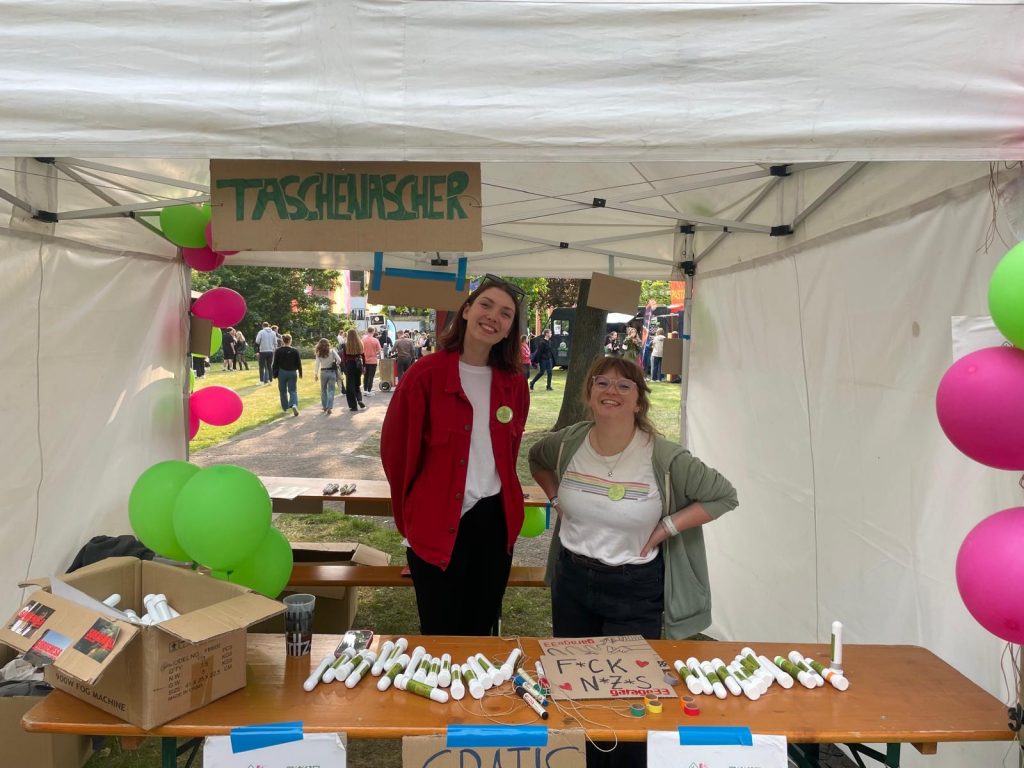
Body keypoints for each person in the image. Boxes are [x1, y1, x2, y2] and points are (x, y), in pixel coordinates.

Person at [529, 356, 737, 768]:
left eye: (624, 386)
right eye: (602, 383)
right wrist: (555, 497)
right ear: (588, 395)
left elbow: (723, 495)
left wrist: (667, 528)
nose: (612, 391)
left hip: (634, 590)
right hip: (572, 582)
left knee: (628, 699)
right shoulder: (569, 442)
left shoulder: (664, 457)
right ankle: (580, 759)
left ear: (639, 400)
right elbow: (537, 459)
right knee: (575, 689)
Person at [380, 276, 529, 635]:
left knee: (481, 631)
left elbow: (509, 453)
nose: (494, 316)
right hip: (436, 521)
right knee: (441, 634)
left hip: (494, 524)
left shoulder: (514, 383)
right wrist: (411, 519)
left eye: (506, 313)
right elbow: (396, 452)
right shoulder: (425, 375)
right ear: (466, 310)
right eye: (486, 305)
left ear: (511, 328)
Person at [271, 333, 302, 416]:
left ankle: (285, 408)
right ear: (290, 340)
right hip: (292, 372)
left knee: (282, 391)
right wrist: (300, 373)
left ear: (282, 341)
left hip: (282, 372)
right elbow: (299, 363)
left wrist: (274, 373)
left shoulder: (278, 350)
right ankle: (294, 404)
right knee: (293, 390)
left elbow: (275, 363)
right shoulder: (295, 351)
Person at [313, 338, 342, 415]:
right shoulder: (332, 351)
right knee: (331, 390)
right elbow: (339, 360)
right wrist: (335, 364)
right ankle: (329, 406)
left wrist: (315, 374)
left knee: (323, 390)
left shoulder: (319, 353)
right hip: (332, 372)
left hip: (323, 372)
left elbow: (317, 364)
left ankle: (324, 406)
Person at [342, 329, 367, 412]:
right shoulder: (360, 344)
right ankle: (359, 399)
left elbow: (344, 359)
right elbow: (363, 356)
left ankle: (353, 406)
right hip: (358, 365)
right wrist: (364, 366)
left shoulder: (346, 345)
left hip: (350, 365)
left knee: (349, 386)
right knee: (357, 384)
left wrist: (344, 369)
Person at [362, 328, 382, 396]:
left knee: (366, 376)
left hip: (365, 360)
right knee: (371, 376)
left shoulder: (363, 340)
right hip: (373, 360)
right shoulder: (375, 340)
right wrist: (375, 353)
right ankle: (369, 390)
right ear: (373, 332)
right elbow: (379, 350)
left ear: (367, 331)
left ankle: (365, 390)